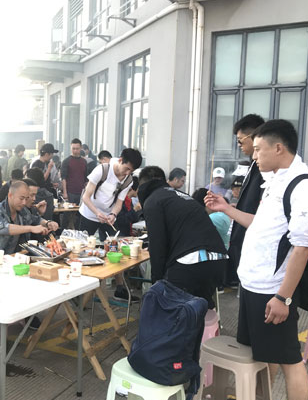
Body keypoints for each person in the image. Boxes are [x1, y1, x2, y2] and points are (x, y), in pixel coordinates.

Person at [205, 119, 308, 400]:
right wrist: (226, 208)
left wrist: (283, 298)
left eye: (258, 149)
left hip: (273, 289)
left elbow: (303, 247)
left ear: (278, 148)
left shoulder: (303, 186)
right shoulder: (276, 180)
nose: (253, 155)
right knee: (261, 354)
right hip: (254, 284)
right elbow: (261, 225)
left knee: (289, 360)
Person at [139, 166, 227, 309]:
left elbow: (157, 245)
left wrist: (157, 283)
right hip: (218, 258)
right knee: (199, 309)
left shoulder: (153, 201)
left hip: (191, 261)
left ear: (142, 185)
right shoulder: (181, 195)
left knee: (173, 310)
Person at [225, 113, 265, 287]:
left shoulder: (266, 168)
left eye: (241, 141)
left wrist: (227, 209)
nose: (239, 146)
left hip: (256, 241)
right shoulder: (253, 165)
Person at [79, 148, 142, 241]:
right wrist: (97, 213)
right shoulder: (102, 170)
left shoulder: (128, 181)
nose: (127, 173)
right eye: (127, 168)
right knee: (83, 243)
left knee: (113, 243)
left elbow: (119, 203)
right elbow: (86, 197)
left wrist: (113, 214)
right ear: (120, 160)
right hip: (89, 213)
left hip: (108, 217)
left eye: (131, 171)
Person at [0, 181, 50, 262]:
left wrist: (47, 223)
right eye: (21, 198)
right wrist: (31, 228)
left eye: (26, 199)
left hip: (12, 260)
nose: (24, 202)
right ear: (10, 195)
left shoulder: (22, 210)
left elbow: (35, 219)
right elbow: (3, 228)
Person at [61, 138, 87, 205]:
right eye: (73, 148)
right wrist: (65, 193)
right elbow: (63, 178)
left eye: (77, 149)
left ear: (81, 148)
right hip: (70, 193)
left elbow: (86, 179)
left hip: (81, 192)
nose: (75, 151)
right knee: (70, 211)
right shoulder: (66, 161)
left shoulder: (84, 162)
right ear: (71, 148)